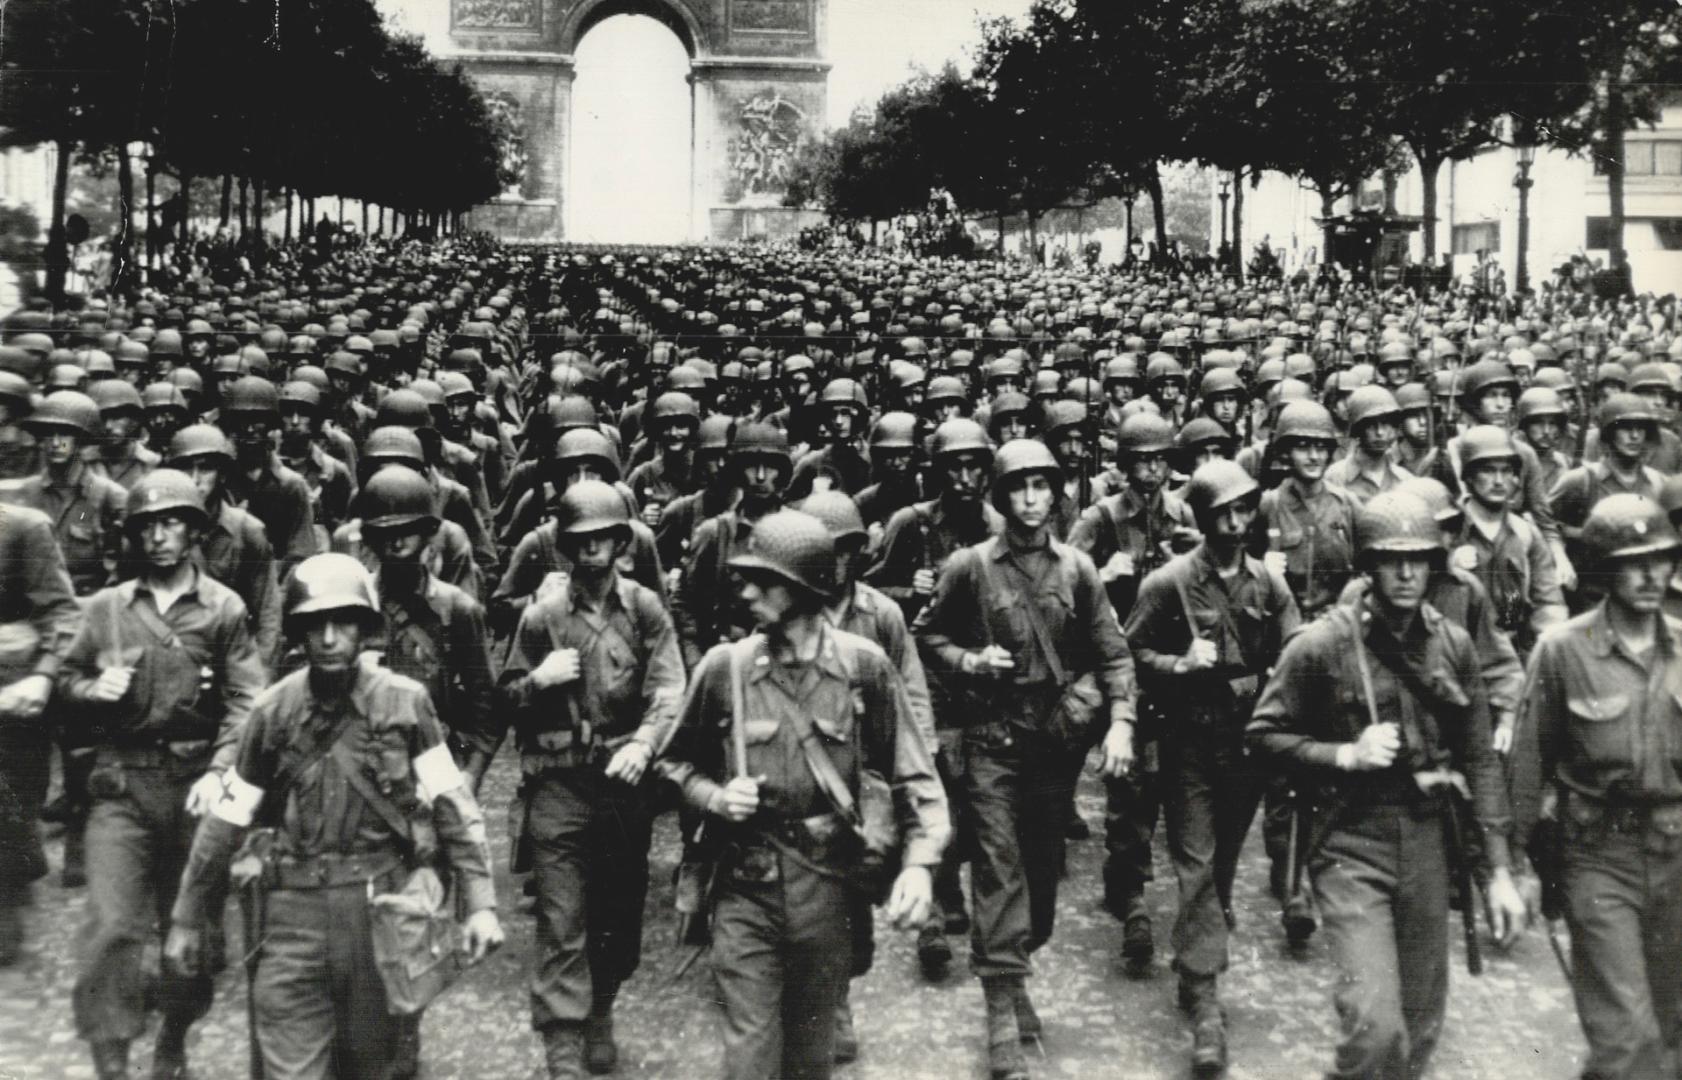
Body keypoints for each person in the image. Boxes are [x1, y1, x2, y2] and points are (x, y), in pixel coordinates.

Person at [164, 553, 504, 1080]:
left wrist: (481, 903)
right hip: (291, 919)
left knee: (369, 1066)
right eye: (313, 625)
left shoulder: (406, 703)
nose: (327, 638)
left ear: (364, 629)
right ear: (298, 634)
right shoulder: (272, 712)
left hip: (377, 915)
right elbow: (226, 820)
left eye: (341, 622)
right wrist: (188, 916)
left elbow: (451, 805)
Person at [655, 508, 948, 1080]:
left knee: (811, 1059)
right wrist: (714, 797)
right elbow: (671, 763)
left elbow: (915, 777)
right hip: (746, 886)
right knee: (749, 1059)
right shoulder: (726, 668)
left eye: (760, 579)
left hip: (829, 889)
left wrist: (919, 865)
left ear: (798, 588)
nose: (744, 590)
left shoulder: (864, 669)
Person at [1247, 490, 1526, 1080]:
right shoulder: (1322, 645)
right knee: (1374, 1027)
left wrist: (1498, 871)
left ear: (1434, 563)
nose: (1405, 572)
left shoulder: (1452, 645)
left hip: (1428, 841)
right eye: (1391, 559)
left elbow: (1479, 761)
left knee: (1420, 1025)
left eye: (1419, 558)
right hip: (1349, 840)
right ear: (1368, 567)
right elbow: (1263, 736)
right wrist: (1344, 754)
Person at [913, 439, 1135, 1080]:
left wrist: (1118, 724)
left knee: (1039, 885)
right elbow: (928, 633)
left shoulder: (1078, 570)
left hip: (1054, 747)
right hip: (992, 739)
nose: (1033, 499)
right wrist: (970, 660)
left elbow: (1113, 655)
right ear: (1001, 496)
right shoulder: (970, 566)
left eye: (1043, 487)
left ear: (1057, 492)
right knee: (999, 869)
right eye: (1020, 488)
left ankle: (1014, 970)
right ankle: (1000, 1007)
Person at [58, 470, 266, 1080]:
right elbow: (65, 685)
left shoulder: (223, 608)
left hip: (197, 786)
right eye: (146, 526)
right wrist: (92, 689)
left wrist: (222, 769)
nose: (158, 537)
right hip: (121, 785)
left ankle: (173, 1036)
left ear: (195, 530)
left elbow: (246, 701)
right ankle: (113, 1061)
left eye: (171, 522)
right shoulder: (104, 609)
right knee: (111, 928)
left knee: (190, 935)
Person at [496, 481, 684, 1079]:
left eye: (605, 538)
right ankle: (563, 1052)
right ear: (566, 547)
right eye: (582, 541)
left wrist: (646, 743)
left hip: (623, 786)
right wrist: (539, 680)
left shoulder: (645, 609)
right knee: (560, 919)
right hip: (559, 786)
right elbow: (503, 700)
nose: (593, 550)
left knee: (617, 915)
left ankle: (601, 1008)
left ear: (622, 543)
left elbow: (671, 688)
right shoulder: (542, 615)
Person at [1125, 460, 1298, 1075]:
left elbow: (1292, 653)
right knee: (1195, 864)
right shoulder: (1168, 584)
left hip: (1246, 744)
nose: (1235, 522)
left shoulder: (1268, 586)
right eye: (1222, 513)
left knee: (1223, 862)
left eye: (1244, 510)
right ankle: (1205, 1003)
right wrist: (1180, 664)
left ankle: (1195, 953)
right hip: (1189, 742)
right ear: (1200, 519)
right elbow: (1130, 652)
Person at [1510, 492, 1682, 1080]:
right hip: (1598, 857)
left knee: (1670, 1030)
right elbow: (1528, 762)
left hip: (1677, 858)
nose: (1649, 574)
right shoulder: (1563, 650)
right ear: (1605, 570)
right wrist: (1514, 866)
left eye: (1660, 558)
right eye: (1632, 562)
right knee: (1628, 1037)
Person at [800, 489, 936, 1056]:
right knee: (815, 901)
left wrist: (920, 763)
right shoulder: (787, 614)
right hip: (803, 778)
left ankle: (840, 982)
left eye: (846, 550)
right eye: (822, 550)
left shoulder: (881, 614)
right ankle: (831, 1006)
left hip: (864, 783)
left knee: (855, 917)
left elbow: (912, 693)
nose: (834, 562)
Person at [0, 501, 80, 966]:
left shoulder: (24, 529)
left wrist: (43, 674)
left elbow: (62, 615)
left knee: (10, 807)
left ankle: (8, 893)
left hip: (13, 702)